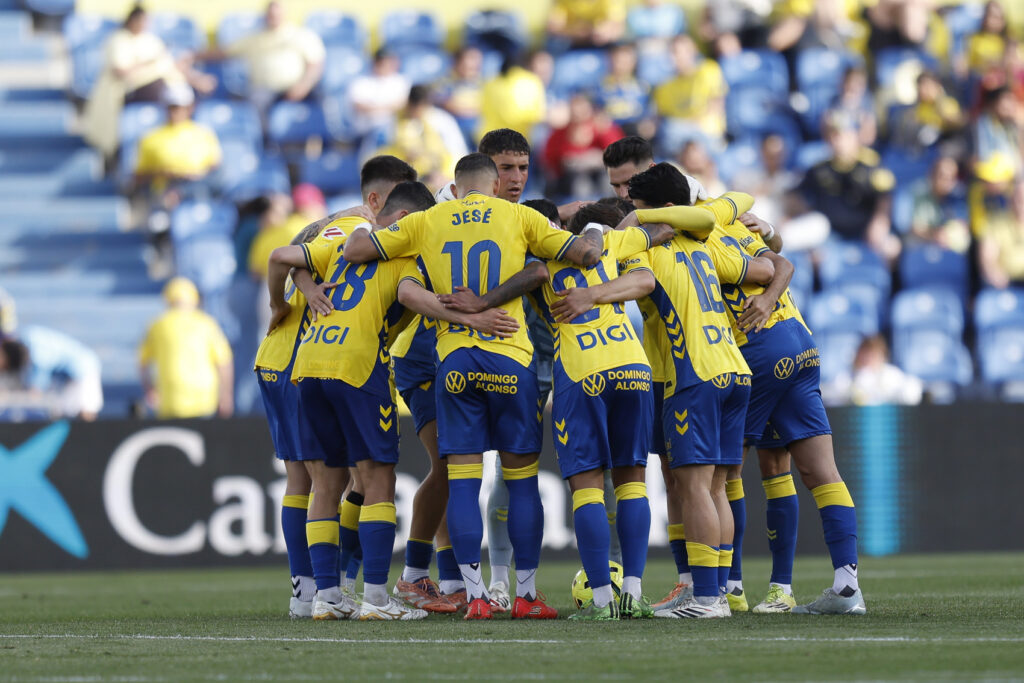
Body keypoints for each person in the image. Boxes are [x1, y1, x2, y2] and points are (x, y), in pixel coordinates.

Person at [342, 153, 605, 620]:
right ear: (495, 183)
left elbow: (358, 252)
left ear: (458, 188)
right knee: (522, 484)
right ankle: (524, 595)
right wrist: (595, 230)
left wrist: (359, 224)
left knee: (462, 481)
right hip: (511, 358)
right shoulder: (519, 214)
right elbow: (584, 256)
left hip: (456, 361)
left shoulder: (428, 219)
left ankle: (475, 595)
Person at [267, 180, 519, 621]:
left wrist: (288, 299)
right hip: (358, 368)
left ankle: (327, 597)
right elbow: (410, 297)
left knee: (326, 484)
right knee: (377, 481)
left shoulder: (343, 244)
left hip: (307, 366)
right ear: (404, 222)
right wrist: (475, 318)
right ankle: (378, 600)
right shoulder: (401, 256)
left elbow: (283, 257)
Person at [612, 163, 769, 618]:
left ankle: (705, 598)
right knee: (716, 487)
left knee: (695, 487)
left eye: (639, 209)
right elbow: (758, 267)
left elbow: (617, 258)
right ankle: (714, 591)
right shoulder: (704, 247)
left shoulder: (648, 252)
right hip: (735, 372)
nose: (636, 216)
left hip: (693, 376)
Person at [82, 4, 212, 158]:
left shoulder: (151, 40)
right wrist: (148, 63)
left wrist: (196, 79)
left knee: (185, 92)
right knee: (162, 87)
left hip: (161, 89)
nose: (145, 24)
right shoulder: (118, 40)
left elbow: (170, 65)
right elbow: (120, 71)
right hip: (131, 92)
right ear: (132, 20)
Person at [796, 113, 899, 263]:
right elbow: (798, 194)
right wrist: (806, 213)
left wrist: (880, 222)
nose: (838, 141)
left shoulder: (872, 165)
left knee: (892, 248)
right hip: (831, 233)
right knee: (813, 258)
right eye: (833, 136)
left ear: (855, 137)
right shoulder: (819, 169)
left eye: (844, 136)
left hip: (864, 231)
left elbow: (885, 196)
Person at [198, 1, 325, 111]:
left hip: (298, 88)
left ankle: (332, 137)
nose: (274, 16)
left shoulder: (300, 35)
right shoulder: (254, 37)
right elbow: (224, 52)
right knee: (256, 101)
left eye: (277, 12)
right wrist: (194, 55)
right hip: (265, 91)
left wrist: (304, 86)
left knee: (324, 98)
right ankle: (264, 138)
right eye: (271, 13)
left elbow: (315, 64)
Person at [138, 277, 233, 419]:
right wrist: (226, 396)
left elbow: (143, 362)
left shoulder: (157, 325)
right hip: (205, 399)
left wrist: (150, 389)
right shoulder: (207, 323)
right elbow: (224, 363)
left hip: (170, 398)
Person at [133, 84, 222, 203]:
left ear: (190, 107)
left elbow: (215, 169)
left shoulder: (204, 134)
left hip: (197, 190)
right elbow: (140, 176)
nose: (174, 111)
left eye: (179, 107)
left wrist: (195, 175)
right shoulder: (150, 137)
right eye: (171, 107)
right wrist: (164, 174)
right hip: (163, 192)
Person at [378, 85, 468, 189]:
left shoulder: (442, 121)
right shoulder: (391, 123)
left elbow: (457, 152)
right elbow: (379, 155)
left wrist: (446, 176)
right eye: (414, 107)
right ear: (409, 104)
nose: (417, 112)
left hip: (439, 178)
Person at [543, 94, 624, 201]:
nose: (578, 115)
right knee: (581, 185)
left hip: (600, 172)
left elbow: (619, 154)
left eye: (582, 110)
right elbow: (551, 160)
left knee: (607, 183)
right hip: (572, 178)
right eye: (575, 111)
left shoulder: (601, 129)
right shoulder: (560, 134)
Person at [652, 35, 728, 144]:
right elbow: (659, 119)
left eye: (676, 52)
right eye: (670, 52)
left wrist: (689, 124)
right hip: (678, 140)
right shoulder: (664, 87)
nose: (673, 57)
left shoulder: (708, 70)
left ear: (692, 52)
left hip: (707, 134)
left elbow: (716, 106)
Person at [830, 335, 923, 406]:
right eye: (865, 354)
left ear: (881, 356)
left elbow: (911, 393)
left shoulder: (891, 375)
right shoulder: (846, 378)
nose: (868, 359)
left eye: (872, 355)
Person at [908, 156, 970, 253]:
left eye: (951, 177)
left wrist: (948, 235)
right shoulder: (919, 195)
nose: (947, 181)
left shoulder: (959, 198)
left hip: (951, 247)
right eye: (942, 176)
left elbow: (963, 226)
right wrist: (934, 235)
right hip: (925, 244)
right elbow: (915, 228)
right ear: (932, 175)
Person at [478, 57, 547, 142]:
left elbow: (482, 109)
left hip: (489, 140)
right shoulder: (533, 81)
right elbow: (537, 115)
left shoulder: (489, 82)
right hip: (519, 143)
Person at [348, 48, 412, 137]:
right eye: (381, 62)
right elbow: (359, 106)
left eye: (388, 61)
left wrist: (377, 107)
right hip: (367, 130)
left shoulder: (402, 81)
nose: (385, 65)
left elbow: (406, 104)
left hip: (396, 128)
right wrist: (390, 107)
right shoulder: (361, 82)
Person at [596, 42, 652, 137]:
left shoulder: (642, 86)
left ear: (633, 63)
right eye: (618, 60)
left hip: (634, 130)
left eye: (626, 61)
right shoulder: (600, 86)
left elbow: (648, 113)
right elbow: (596, 110)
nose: (622, 65)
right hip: (610, 130)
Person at [437, 46, 485, 145]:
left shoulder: (483, 83)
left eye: (477, 60)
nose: (476, 64)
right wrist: (475, 110)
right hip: (455, 131)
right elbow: (448, 105)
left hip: (478, 131)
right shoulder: (446, 82)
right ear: (457, 62)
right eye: (471, 58)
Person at [546, 0, 626, 49]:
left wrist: (603, 32)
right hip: (573, 42)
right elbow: (554, 26)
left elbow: (617, 25)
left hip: (604, 44)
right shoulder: (566, 1)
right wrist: (574, 31)